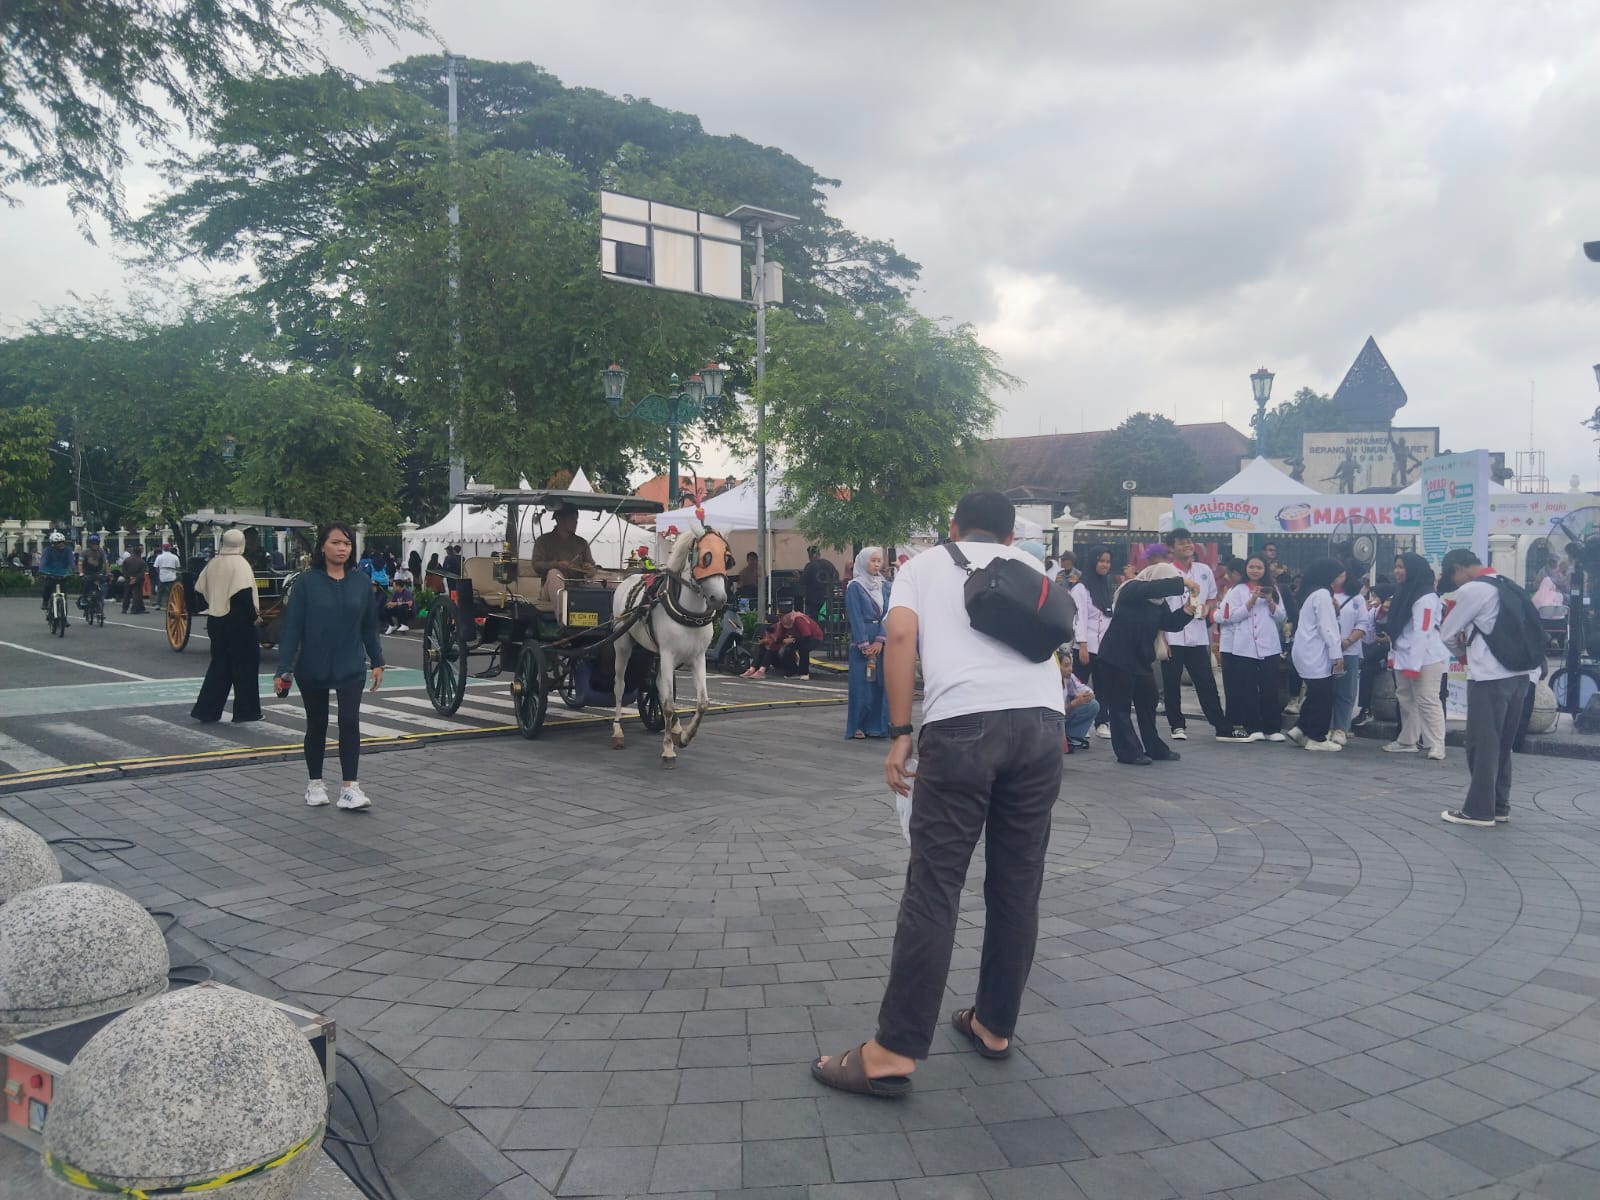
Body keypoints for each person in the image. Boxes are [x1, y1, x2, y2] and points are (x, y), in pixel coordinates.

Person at [811, 491, 1063, 1098]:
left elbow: (899, 642)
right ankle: (994, 1025)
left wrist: (900, 734)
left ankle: (893, 1051)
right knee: (1017, 883)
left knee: (935, 884)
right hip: (1043, 726)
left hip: (963, 728)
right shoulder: (1033, 570)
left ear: (952, 527)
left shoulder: (922, 566)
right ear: (1008, 538)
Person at [274, 520, 385, 812]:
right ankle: (315, 784)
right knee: (318, 724)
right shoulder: (307, 583)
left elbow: (369, 627)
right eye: (336, 542)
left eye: (347, 543)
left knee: (349, 721)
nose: (342, 548)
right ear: (322, 546)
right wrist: (283, 668)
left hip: (350, 663)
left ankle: (350, 787)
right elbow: (292, 629)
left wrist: (377, 661)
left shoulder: (361, 582)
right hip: (313, 664)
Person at [1437, 548, 1537, 827]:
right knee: (1503, 744)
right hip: (1520, 675)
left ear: (1458, 568)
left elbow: (1446, 634)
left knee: (1482, 744)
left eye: (1454, 578)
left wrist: (1464, 656)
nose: (1456, 584)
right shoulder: (1509, 584)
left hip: (1489, 677)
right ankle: (1500, 805)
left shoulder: (1473, 590)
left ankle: (1479, 810)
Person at [1098, 563, 1201, 765]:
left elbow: (1170, 623)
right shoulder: (1132, 588)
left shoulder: (1158, 602)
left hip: (1141, 659)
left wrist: (1188, 609)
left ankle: (1154, 747)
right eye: (1167, 581)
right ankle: (1128, 751)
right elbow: (1151, 588)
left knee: (1148, 702)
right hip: (1117, 657)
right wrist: (1184, 582)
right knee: (1120, 707)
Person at [1159, 528, 1229, 741]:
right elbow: (1159, 608)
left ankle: (1220, 724)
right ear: (1171, 548)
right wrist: (1162, 638)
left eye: (1189, 541)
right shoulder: (1165, 572)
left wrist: (1207, 608)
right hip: (1173, 637)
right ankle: (1176, 725)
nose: (1187, 545)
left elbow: (1211, 597)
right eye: (1181, 543)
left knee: (1206, 681)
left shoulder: (1204, 570)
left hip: (1197, 637)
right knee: (1171, 683)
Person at [190, 529, 264, 724]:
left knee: (220, 665)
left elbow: (199, 589)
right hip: (238, 621)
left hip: (215, 619)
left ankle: (206, 710)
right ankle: (246, 711)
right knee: (246, 666)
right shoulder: (240, 564)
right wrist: (254, 617)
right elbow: (243, 595)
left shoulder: (213, 562)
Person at [1379, 553, 1449, 760]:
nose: (1397, 571)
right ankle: (1407, 740)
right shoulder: (1403, 592)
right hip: (1404, 653)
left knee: (1427, 699)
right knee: (1406, 698)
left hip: (1426, 657)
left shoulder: (1426, 597)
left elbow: (1423, 631)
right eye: (1396, 566)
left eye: (1402, 567)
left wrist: (1414, 664)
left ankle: (1437, 744)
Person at [1216, 554, 1287, 741]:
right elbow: (1230, 616)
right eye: (1251, 567)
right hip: (1245, 646)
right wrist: (1251, 601)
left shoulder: (1273, 589)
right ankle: (1252, 726)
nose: (1255, 570)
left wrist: (1270, 600)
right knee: (1247, 688)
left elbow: (1281, 616)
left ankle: (1272, 728)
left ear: (1265, 570)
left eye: (1259, 567)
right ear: (1246, 569)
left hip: (1269, 646)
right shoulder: (1237, 590)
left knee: (1269, 687)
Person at [1286, 558, 1347, 751]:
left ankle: (1301, 728)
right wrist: (1337, 655)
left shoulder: (1314, 594)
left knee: (1316, 692)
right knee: (1323, 695)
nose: (1343, 577)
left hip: (1305, 650)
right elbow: (1327, 628)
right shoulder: (1321, 595)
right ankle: (1317, 737)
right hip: (1314, 651)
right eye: (1340, 573)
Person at [1070, 544, 1116, 739]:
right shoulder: (1081, 588)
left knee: (1103, 685)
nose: (1105, 565)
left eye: (1107, 562)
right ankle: (1079, 720)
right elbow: (1078, 616)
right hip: (1085, 645)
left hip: (1103, 647)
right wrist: (1082, 644)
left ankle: (1101, 721)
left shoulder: (1105, 586)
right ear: (1093, 562)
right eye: (1101, 561)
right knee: (1078, 685)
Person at [845, 546, 891, 738]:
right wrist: (864, 644)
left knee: (880, 684)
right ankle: (858, 725)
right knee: (861, 685)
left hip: (881, 640)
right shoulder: (855, 586)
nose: (876, 564)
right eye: (872, 560)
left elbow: (889, 613)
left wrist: (880, 640)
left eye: (878, 560)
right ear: (863, 562)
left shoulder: (885, 585)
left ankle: (877, 725)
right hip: (862, 640)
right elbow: (855, 616)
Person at [1329, 567, 1372, 746]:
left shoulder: (1357, 599)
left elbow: (1363, 623)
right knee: (1326, 690)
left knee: (1346, 691)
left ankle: (1341, 728)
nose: (1337, 577)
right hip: (1326, 651)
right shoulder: (1322, 595)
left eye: (1341, 574)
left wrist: (1348, 641)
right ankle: (1326, 726)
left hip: (1349, 650)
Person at [530, 504, 599, 607]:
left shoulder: (581, 543)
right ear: (559, 520)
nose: (575, 523)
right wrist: (557, 564)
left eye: (576, 519)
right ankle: (563, 618)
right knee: (554, 574)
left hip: (578, 588)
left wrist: (589, 568)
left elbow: (592, 569)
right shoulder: (544, 540)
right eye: (572, 519)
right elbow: (536, 565)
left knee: (608, 583)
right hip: (549, 590)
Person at [745, 608, 825, 679]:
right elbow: (778, 639)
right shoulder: (781, 624)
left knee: (803, 648)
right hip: (797, 638)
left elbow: (806, 635)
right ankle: (792, 672)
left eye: (782, 616)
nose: (781, 619)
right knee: (786, 649)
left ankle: (804, 673)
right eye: (779, 617)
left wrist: (793, 640)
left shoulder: (798, 619)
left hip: (814, 637)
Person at [1059, 655, 1099, 750]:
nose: (1070, 669)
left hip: (1064, 714)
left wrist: (1087, 695)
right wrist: (1073, 704)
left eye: (1071, 665)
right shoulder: (1050, 682)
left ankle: (1072, 737)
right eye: (1066, 666)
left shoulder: (1070, 677)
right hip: (1051, 718)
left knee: (1093, 705)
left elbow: (1084, 688)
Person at [38, 532, 75, 623]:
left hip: (63, 574)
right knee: (46, 588)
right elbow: (43, 561)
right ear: (53, 544)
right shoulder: (47, 550)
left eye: (62, 542)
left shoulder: (68, 550)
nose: (61, 544)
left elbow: (71, 561)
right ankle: (46, 602)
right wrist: (42, 571)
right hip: (50, 574)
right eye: (58, 542)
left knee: (64, 598)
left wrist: (75, 570)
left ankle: (64, 619)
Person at [800, 546, 837, 620]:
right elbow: (836, 578)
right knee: (826, 619)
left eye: (809, 556)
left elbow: (803, 581)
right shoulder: (829, 564)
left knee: (814, 620)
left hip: (813, 600)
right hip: (827, 598)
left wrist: (798, 577)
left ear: (812, 555)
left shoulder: (810, 566)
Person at [78, 533, 110, 612]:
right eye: (93, 543)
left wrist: (108, 573)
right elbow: (80, 563)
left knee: (103, 585)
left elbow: (106, 563)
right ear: (89, 544)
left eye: (96, 543)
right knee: (86, 583)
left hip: (97, 572)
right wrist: (81, 573)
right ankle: (84, 598)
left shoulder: (101, 552)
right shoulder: (84, 552)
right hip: (87, 572)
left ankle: (100, 601)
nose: (95, 545)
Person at [120, 543, 148, 614]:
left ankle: (124, 609)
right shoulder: (142, 562)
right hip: (138, 581)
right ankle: (134, 609)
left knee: (127, 594)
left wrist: (129, 577)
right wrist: (135, 579)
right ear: (140, 553)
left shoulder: (127, 560)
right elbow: (142, 573)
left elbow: (123, 570)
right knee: (137, 595)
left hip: (128, 579)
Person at [152, 542, 181, 609]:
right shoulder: (174, 557)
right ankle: (172, 604)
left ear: (163, 548)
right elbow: (178, 567)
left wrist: (159, 573)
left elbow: (156, 567)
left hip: (162, 577)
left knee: (160, 591)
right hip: (172, 576)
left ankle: (158, 604)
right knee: (171, 592)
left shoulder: (159, 557)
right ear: (170, 548)